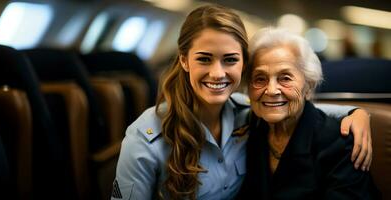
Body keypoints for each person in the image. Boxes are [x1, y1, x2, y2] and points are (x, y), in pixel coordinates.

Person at [112, 5, 372, 200]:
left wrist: (356, 112)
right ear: (183, 60)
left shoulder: (248, 115)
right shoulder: (144, 138)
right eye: (204, 59)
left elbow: (290, 107)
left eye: (230, 59)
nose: (217, 73)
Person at [237, 27, 380, 199]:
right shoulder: (248, 129)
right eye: (260, 79)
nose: (272, 90)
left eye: (285, 78)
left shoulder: (341, 143)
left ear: (309, 86)